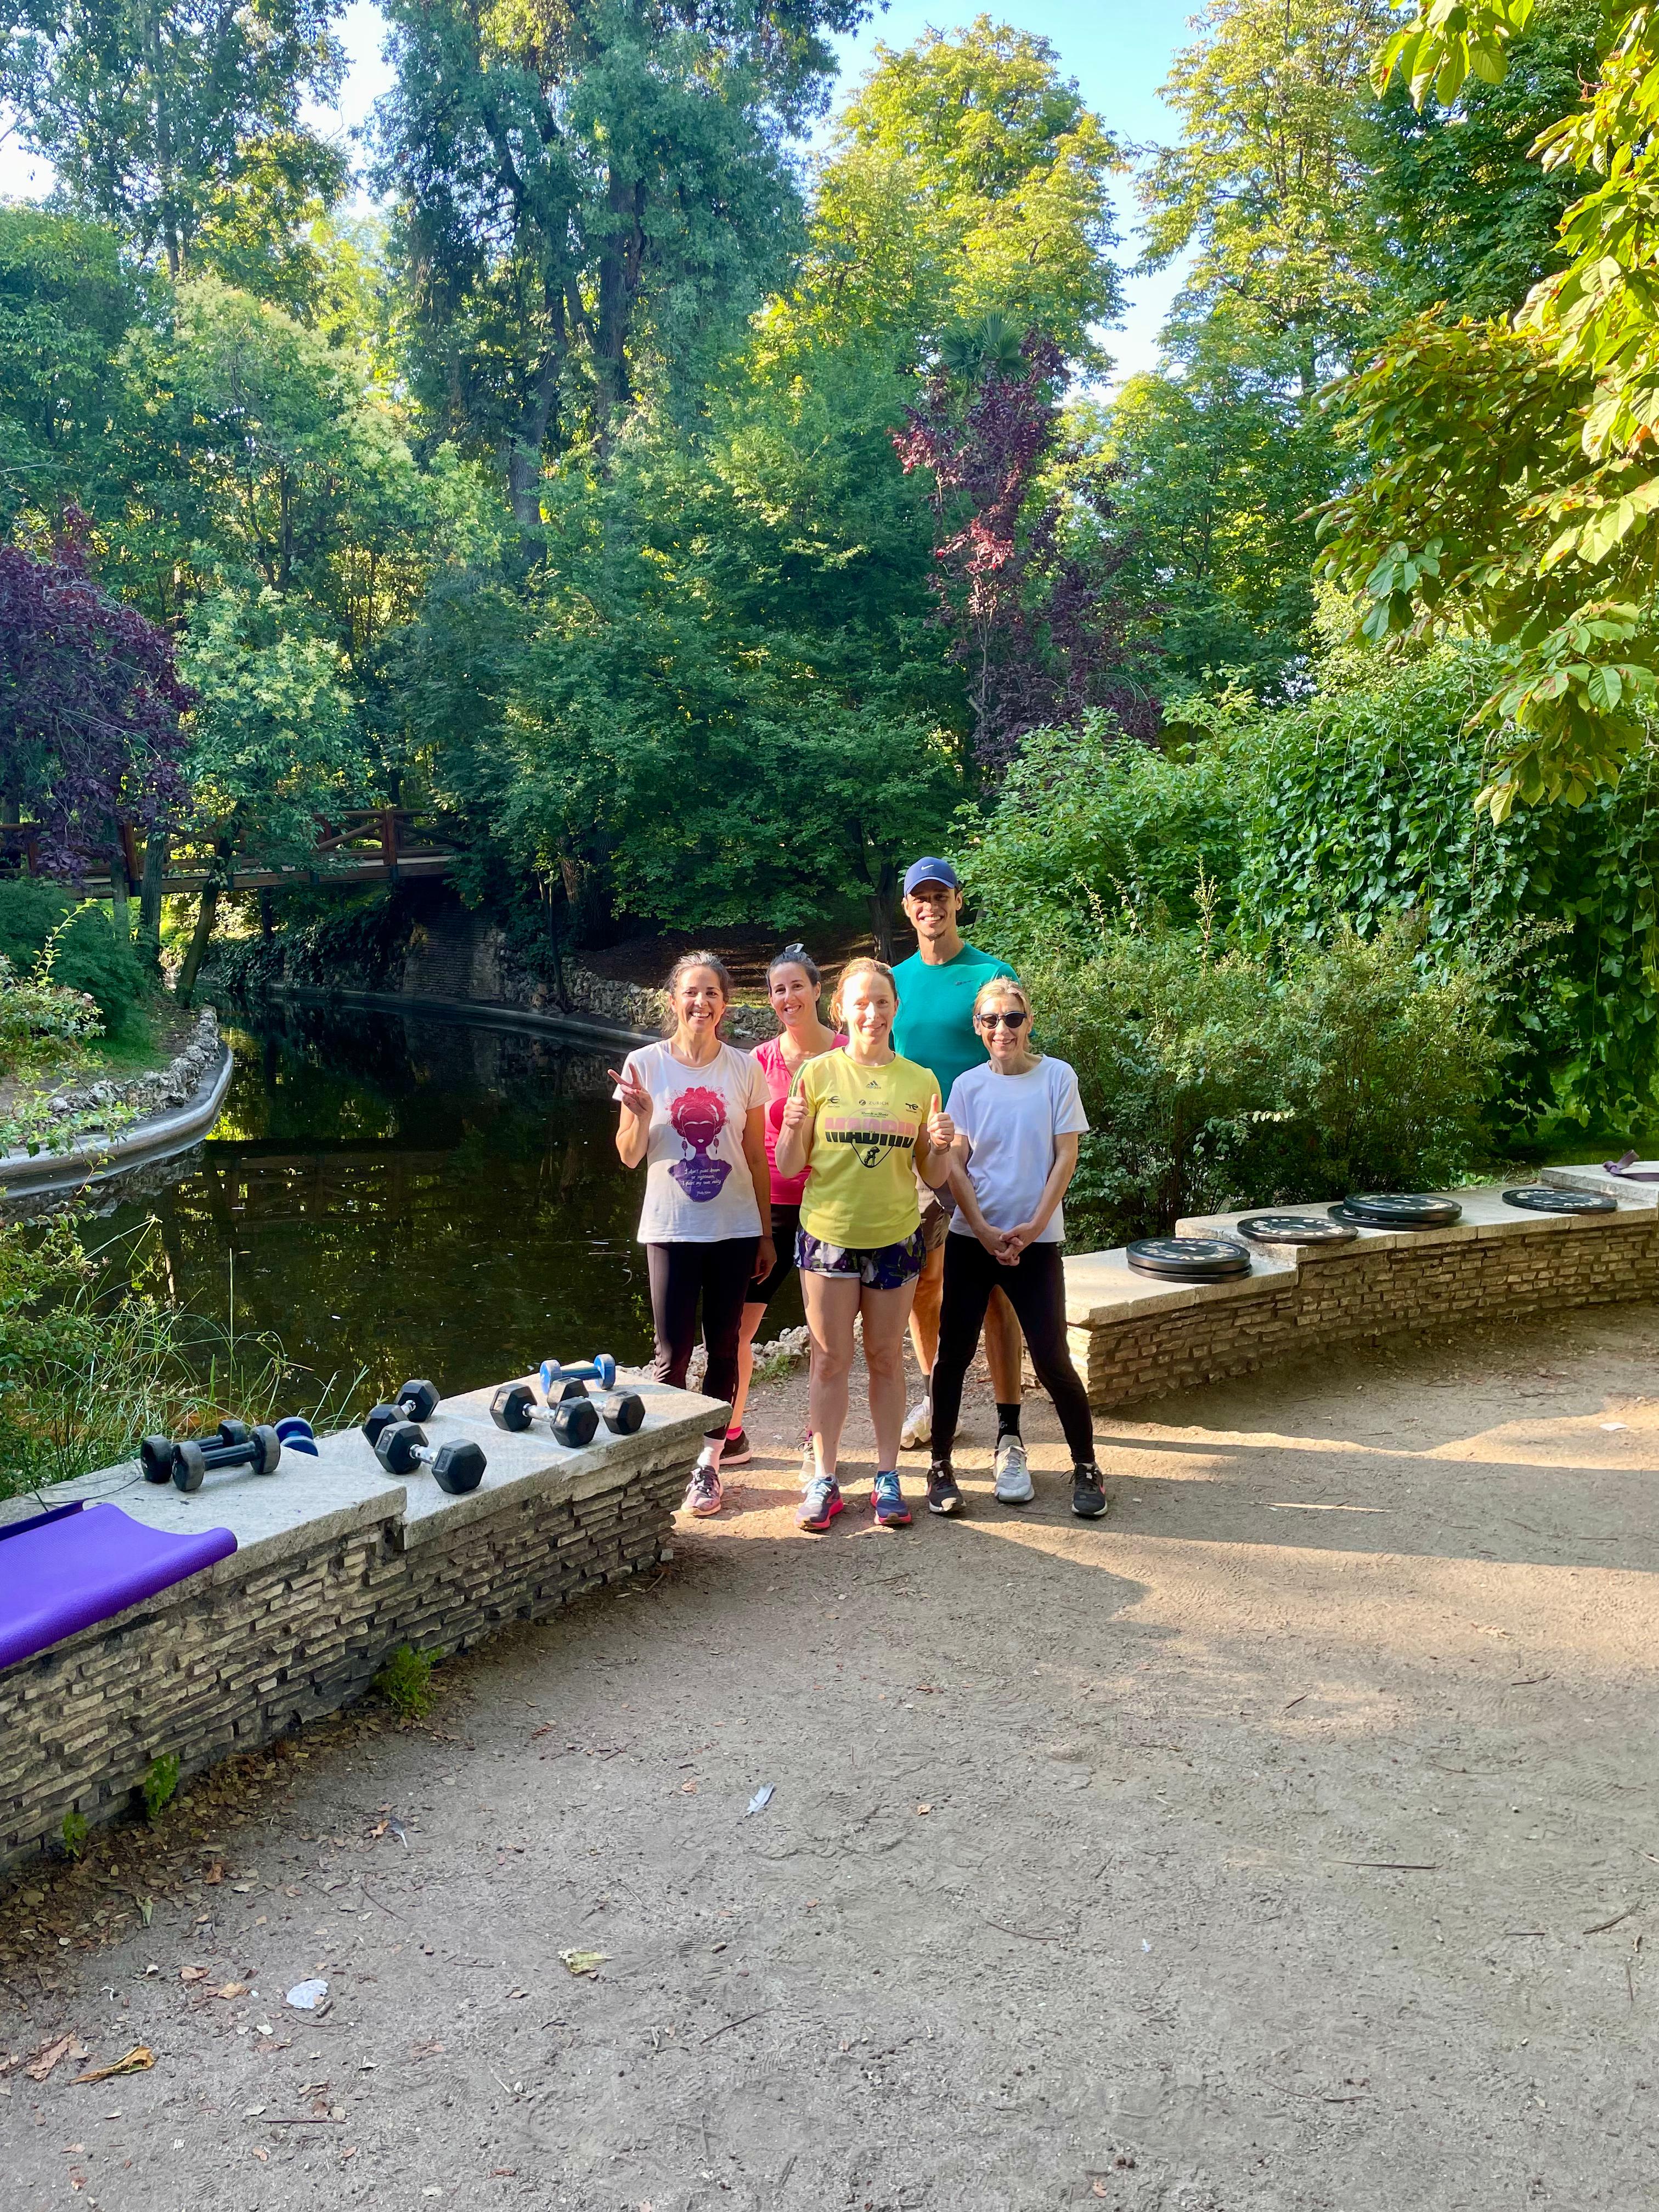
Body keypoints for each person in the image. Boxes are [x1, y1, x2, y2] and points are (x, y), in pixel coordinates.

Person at [774, 957, 956, 1532]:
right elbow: (789, 1164)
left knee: (885, 1358)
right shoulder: (819, 1074)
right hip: (829, 1236)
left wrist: (941, 1144)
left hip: (895, 1238)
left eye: (881, 1002)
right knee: (829, 1359)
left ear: (895, 1008)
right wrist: (790, 1126)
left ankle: (886, 1476)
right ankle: (824, 1478)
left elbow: (930, 1169)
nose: (872, 1013)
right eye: (860, 1003)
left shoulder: (920, 1081)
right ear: (841, 1011)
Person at [927, 977, 1108, 1519]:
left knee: (1053, 1358)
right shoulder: (967, 1086)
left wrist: (1033, 1226)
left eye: (1012, 1018)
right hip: (971, 1240)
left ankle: (1087, 1466)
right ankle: (940, 1466)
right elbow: (955, 1162)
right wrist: (979, 1226)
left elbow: (1065, 1158)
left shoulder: (1057, 1077)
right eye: (990, 1019)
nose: (1001, 1029)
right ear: (978, 1028)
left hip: (1037, 1241)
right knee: (952, 1356)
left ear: (1028, 1023)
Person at [608, 952, 772, 1520]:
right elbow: (629, 1157)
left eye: (711, 994)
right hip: (671, 1230)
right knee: (671, 1355)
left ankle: (709, 1462)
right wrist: (642, 1112)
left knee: (725, 1348)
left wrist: (767, 1232)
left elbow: (755, 1155)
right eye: (691, 992)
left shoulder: (743, 1067)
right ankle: (666, 1462)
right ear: (673, 999)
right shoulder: (642, 1065)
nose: (700, 1003)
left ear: (725, 1004)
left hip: (735, 1229)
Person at [889, 857, 1025, 1481]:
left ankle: (1008, 1425)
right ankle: (934, 1398)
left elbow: (1014, 1061)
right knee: (923, 1288)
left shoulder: (990, 975)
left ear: (957, 901)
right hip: (915, 1157)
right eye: (920, 898)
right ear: (907, 907)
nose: (931, 907)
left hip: (984, 1157)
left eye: (940, 896)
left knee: (997, 1294)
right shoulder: (897, 982)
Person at [720, 945, 844, 1466]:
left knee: (825, 1328)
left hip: (832, 1204)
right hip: (768, 1207)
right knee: (738, 1329)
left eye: (797, 986)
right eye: (778, 989)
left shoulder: (848, 1054)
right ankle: (731, 1433)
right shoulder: (758, 1062)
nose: (788, 997)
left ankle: (821, 1437)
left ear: (818, 991)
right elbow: (736, 1133)